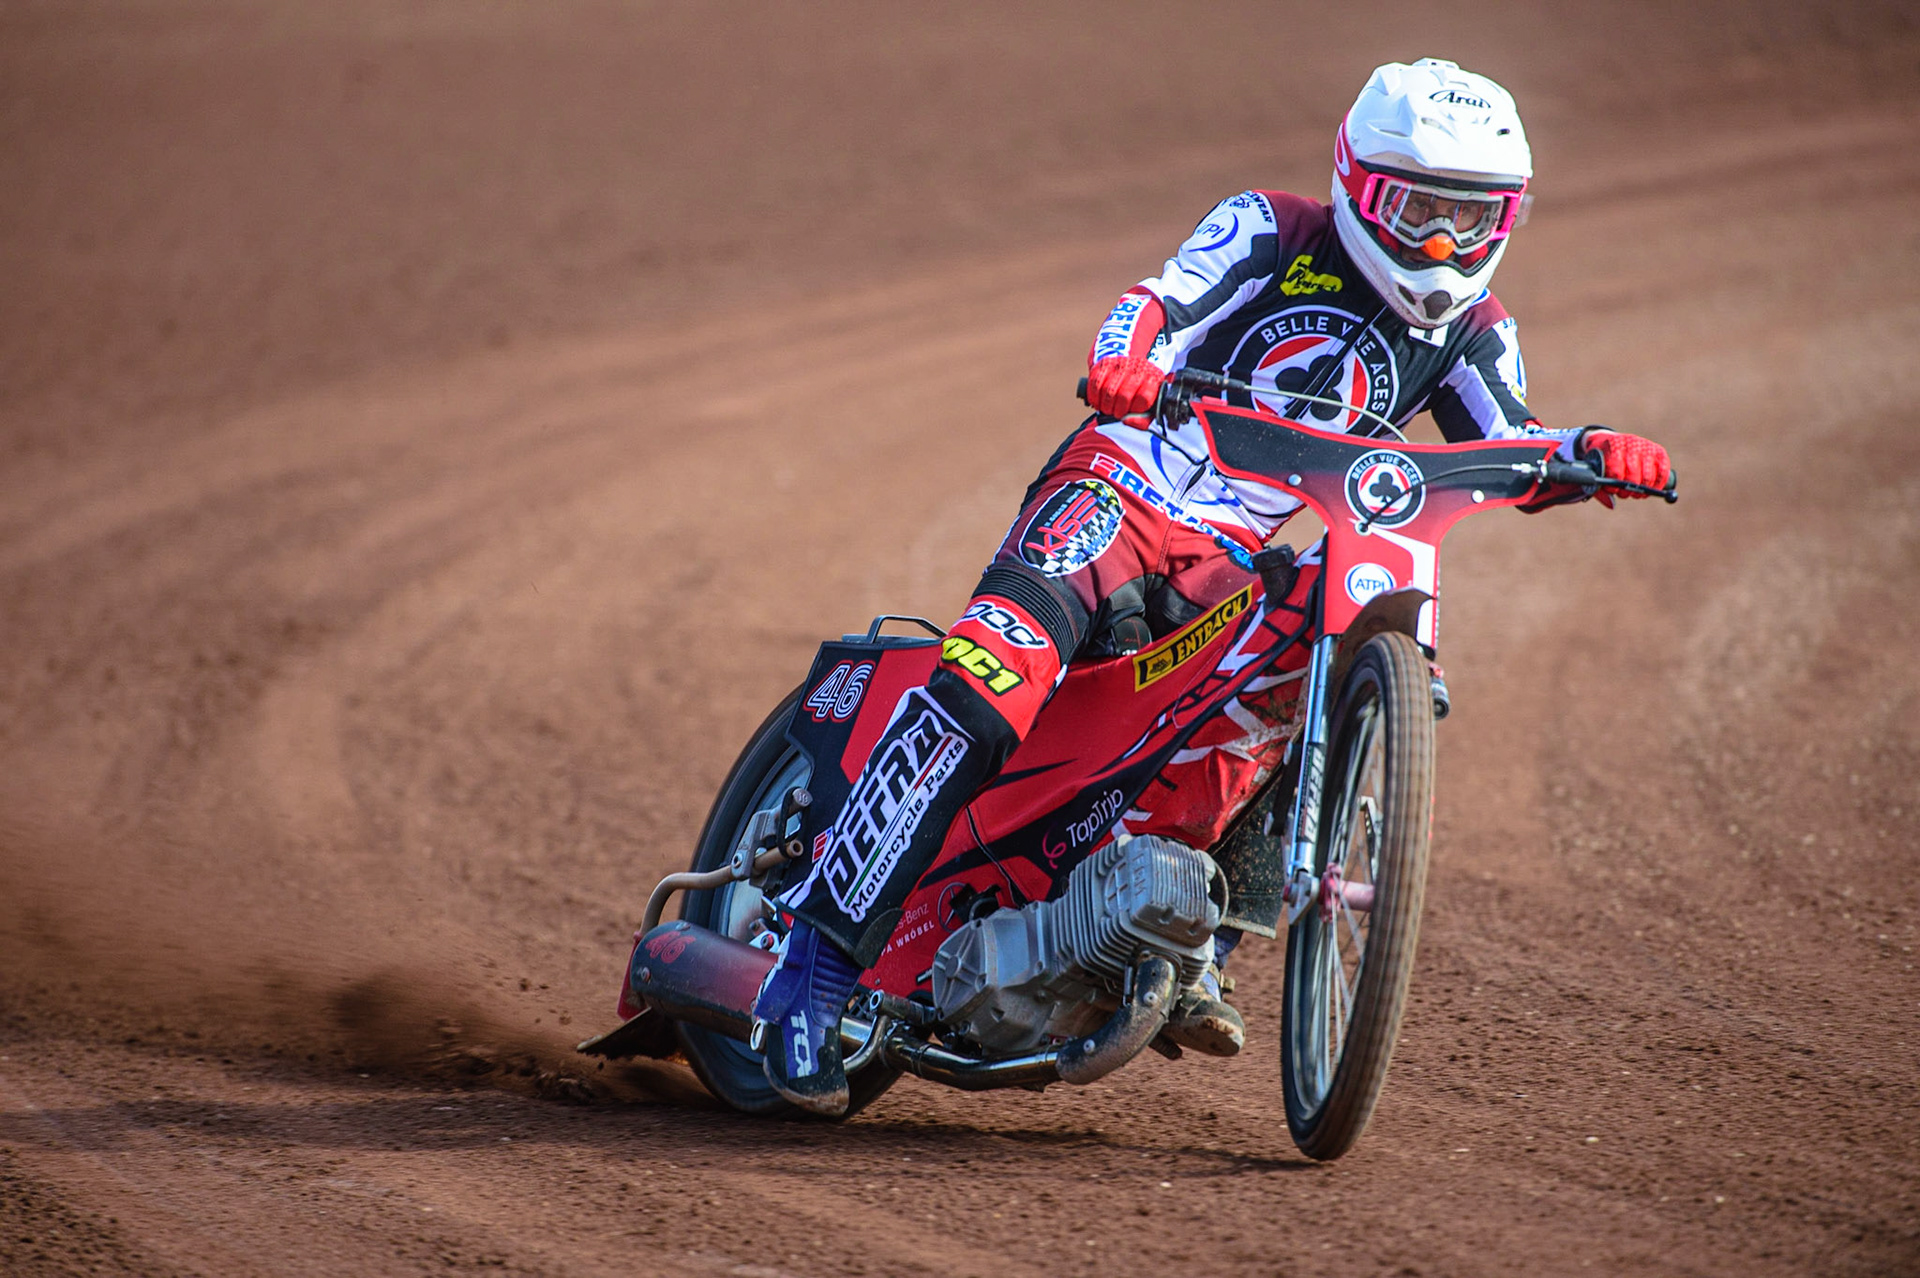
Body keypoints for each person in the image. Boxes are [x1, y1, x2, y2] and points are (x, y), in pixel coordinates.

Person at [752, 57, 1673, 1115]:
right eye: (1418, 209)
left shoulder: (1473, 327)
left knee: (1302, 661)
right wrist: (1128, 365)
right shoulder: (1272, 231)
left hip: (1231, 560)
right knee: (990, 678)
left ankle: (1203, 932)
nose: (1438, 245)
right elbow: (1151, 305)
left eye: (1469, 220)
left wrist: (1590, 452)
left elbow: (1506, 440)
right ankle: (809, 971)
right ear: (1359, 186)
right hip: (1121, 489)